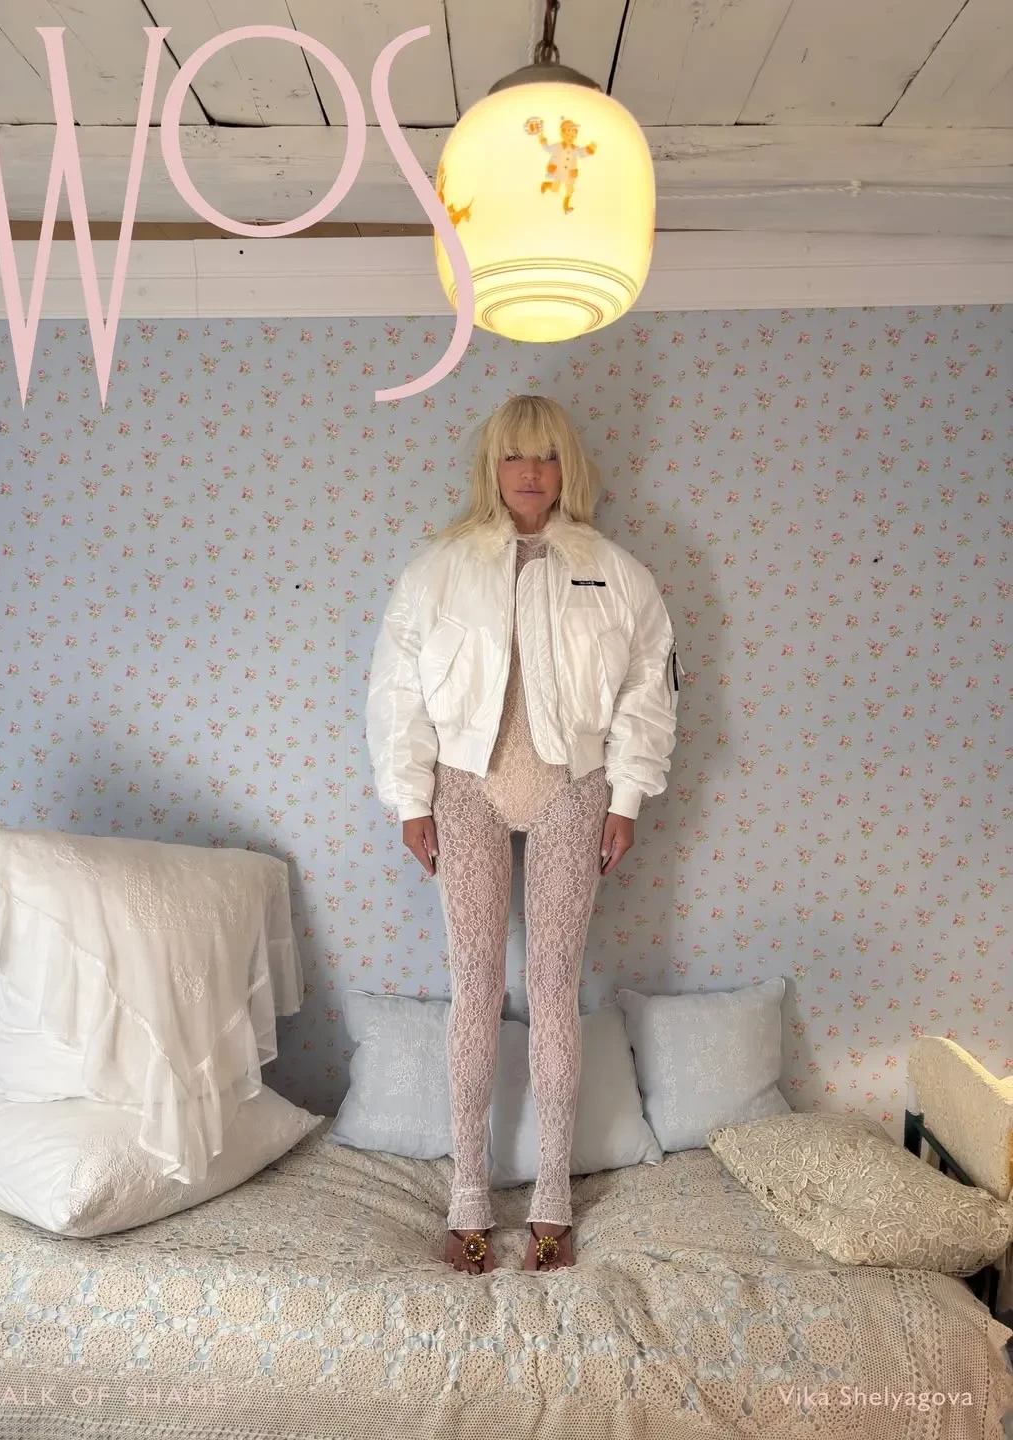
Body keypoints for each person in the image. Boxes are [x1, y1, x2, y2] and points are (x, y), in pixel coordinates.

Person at [366, 395, 679, 1275]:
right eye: (514, 456)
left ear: (567, 466)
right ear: (491, 467)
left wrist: (626, 798)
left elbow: (647, 691)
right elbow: (396, 688)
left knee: (552, 986)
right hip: (462, 787)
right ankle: (467, 1192)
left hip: (573, 787)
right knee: (474, 984)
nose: (530, 472)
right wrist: (410, 799)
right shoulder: (439, 568)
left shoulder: (615, 572)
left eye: (545, 455)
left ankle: (552, 1197)